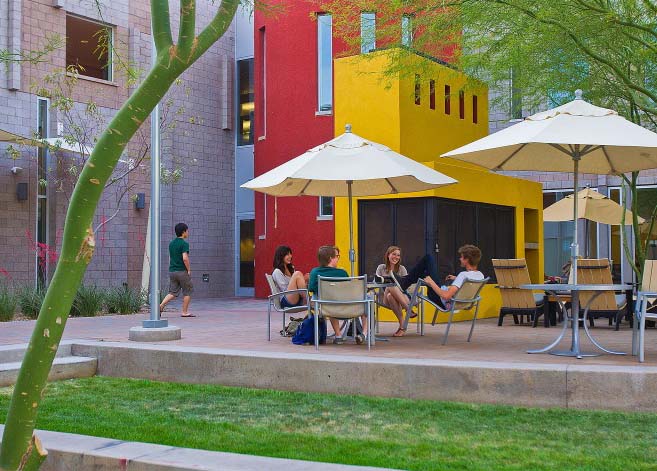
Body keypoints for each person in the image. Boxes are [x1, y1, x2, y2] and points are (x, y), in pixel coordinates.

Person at [308, 245, 367, 345]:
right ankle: (364, 333)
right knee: (366, 299)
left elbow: (311, 288)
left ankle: (338, 335)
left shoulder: (315, 272)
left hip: (326, 308)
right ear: (330, 258)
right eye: (337, 256)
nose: (338, 259)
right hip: (348, 308)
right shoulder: (342, 273)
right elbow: (349, 290)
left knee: (330, 300)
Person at [395, 245, 484, 310]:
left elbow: (446, 296)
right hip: (461, 304)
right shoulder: (480, 275)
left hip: (440, 300)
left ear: (467, 259)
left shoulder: (463, 275)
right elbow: (468, 284)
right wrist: (457, 279)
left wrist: (431, 283)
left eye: (461, 257)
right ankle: (404, 283)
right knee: (422, 272)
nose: (460, 259)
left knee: (428, 258)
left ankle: (403, 284)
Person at [376, 246, 414, 337]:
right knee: (390, 286)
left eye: (398, 255)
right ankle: (408, 309)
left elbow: (407, 286)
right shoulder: (381, 268)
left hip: (402, 296)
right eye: (394, 254)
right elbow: (376, 281)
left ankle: (402, 326)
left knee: (390, 295)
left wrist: (398, 288)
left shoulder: (402, 269)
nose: (396, 257)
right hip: (385, 298)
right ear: (388, 255)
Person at [159, 223, 194, 317]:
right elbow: (185, 258)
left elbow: (171, 257)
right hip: (182, 271)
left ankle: (161, 305)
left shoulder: (171, 243)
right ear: (183, 232)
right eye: (187, 230)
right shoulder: (184, 244)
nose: (188, 232)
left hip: (172, 271)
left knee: (173, 292)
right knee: (188, 291)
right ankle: (184, 312)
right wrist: (189, 269)